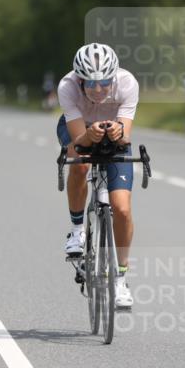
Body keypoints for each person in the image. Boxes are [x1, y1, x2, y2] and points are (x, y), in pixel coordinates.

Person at [57, 43, 139, 308]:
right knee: (80, 163)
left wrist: (117, 133)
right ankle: (77, 230)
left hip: (113, 131)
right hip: (81, 129)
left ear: (113, 76)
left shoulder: (127, 83)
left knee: (122, 210)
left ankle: (120, 281)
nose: (98, 90)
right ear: (79, 79)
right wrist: (88, 137)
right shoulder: (67, 87)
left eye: (104, 82)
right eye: (90, 83)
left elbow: (125, 136)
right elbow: (78, 140)